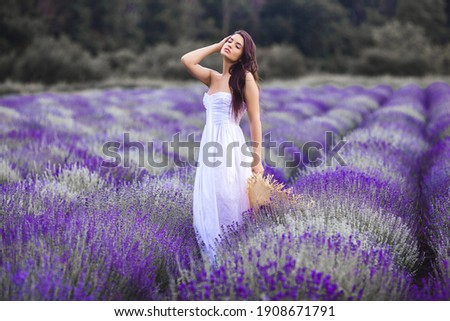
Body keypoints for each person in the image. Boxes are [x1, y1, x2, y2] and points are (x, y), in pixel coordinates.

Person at [180, 30, 264, 264]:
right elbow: (187, 60)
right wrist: (216, 45)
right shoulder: (212, 77)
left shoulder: (244, 78)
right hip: (210, 146)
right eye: (229, 41)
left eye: (237, 46)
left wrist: (257, 160)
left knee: (230, 196)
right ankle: (212, 259)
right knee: (211, 197)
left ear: (243, 54)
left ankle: (234, 256)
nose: (230, 46)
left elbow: (255, 120)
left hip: (230, 144)